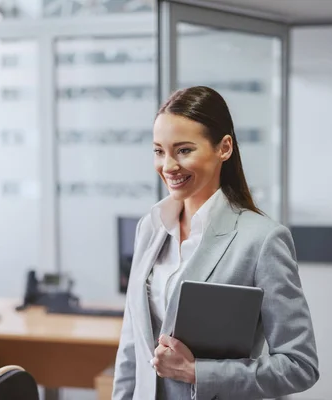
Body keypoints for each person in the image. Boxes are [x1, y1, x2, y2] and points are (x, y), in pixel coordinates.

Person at [113, 86, 319, 400]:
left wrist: (196, 373)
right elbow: (131, 347)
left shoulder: (262, 240)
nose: (168, 166)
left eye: (183, 150)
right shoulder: (150, 228)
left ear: (223, 148)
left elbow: (299, 365)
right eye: (159, 151)